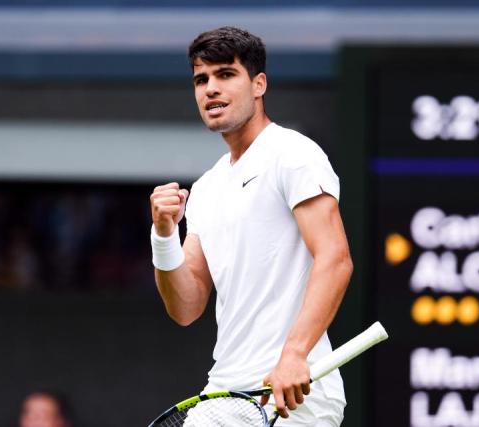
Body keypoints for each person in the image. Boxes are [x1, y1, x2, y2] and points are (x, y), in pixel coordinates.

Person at [149, 26, 353, 426]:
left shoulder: (293, 154)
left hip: (297, 393)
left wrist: (293, 355)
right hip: (225, 390)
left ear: (259, 84)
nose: (210, 89)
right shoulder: (207, 188)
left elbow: (336, 258)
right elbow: (186, 307)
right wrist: (163, 236)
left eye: (226, 75)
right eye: (201, 79)